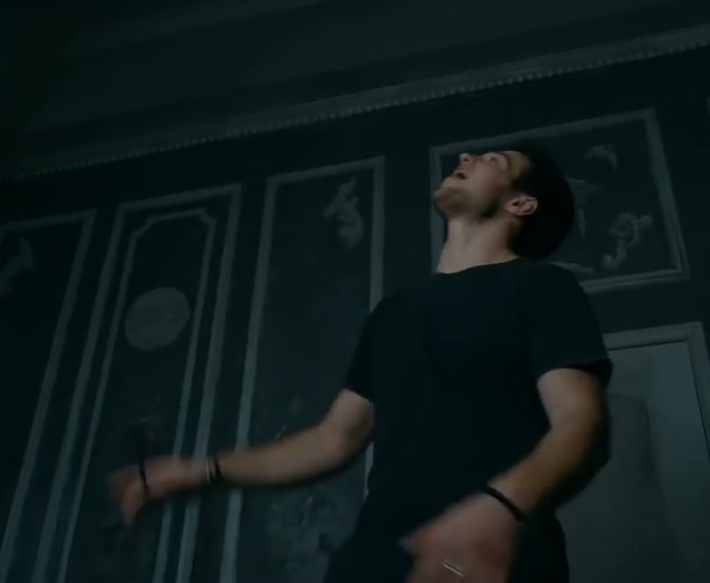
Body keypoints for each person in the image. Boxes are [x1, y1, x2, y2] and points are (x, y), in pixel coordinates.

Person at [110, 142, 613, 582]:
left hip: (485, 561)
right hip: (374, 562)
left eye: (494, 160)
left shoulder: (543, 287)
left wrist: (501, 509)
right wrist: (200, 469)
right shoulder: (394, 312)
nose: (467, 156)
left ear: (521, 203)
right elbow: (332, 439)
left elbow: (581, 421)